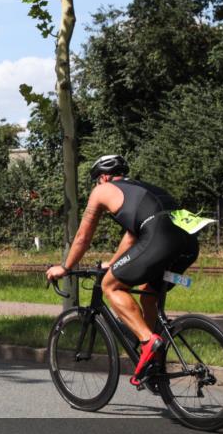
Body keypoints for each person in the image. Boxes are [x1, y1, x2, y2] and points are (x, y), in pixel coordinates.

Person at [46, 155, 201, 388]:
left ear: (104, 177)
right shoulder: (142, 189)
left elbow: (83, 237)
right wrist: (114, 263)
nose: (98, 186)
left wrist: (66, 267)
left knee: (110, 285)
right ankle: (155, 368)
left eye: (97, 181)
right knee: (149, 294)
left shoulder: (103, 190)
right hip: (188, 241)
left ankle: (149, 342)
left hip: (159, 238)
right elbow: (133, 237)